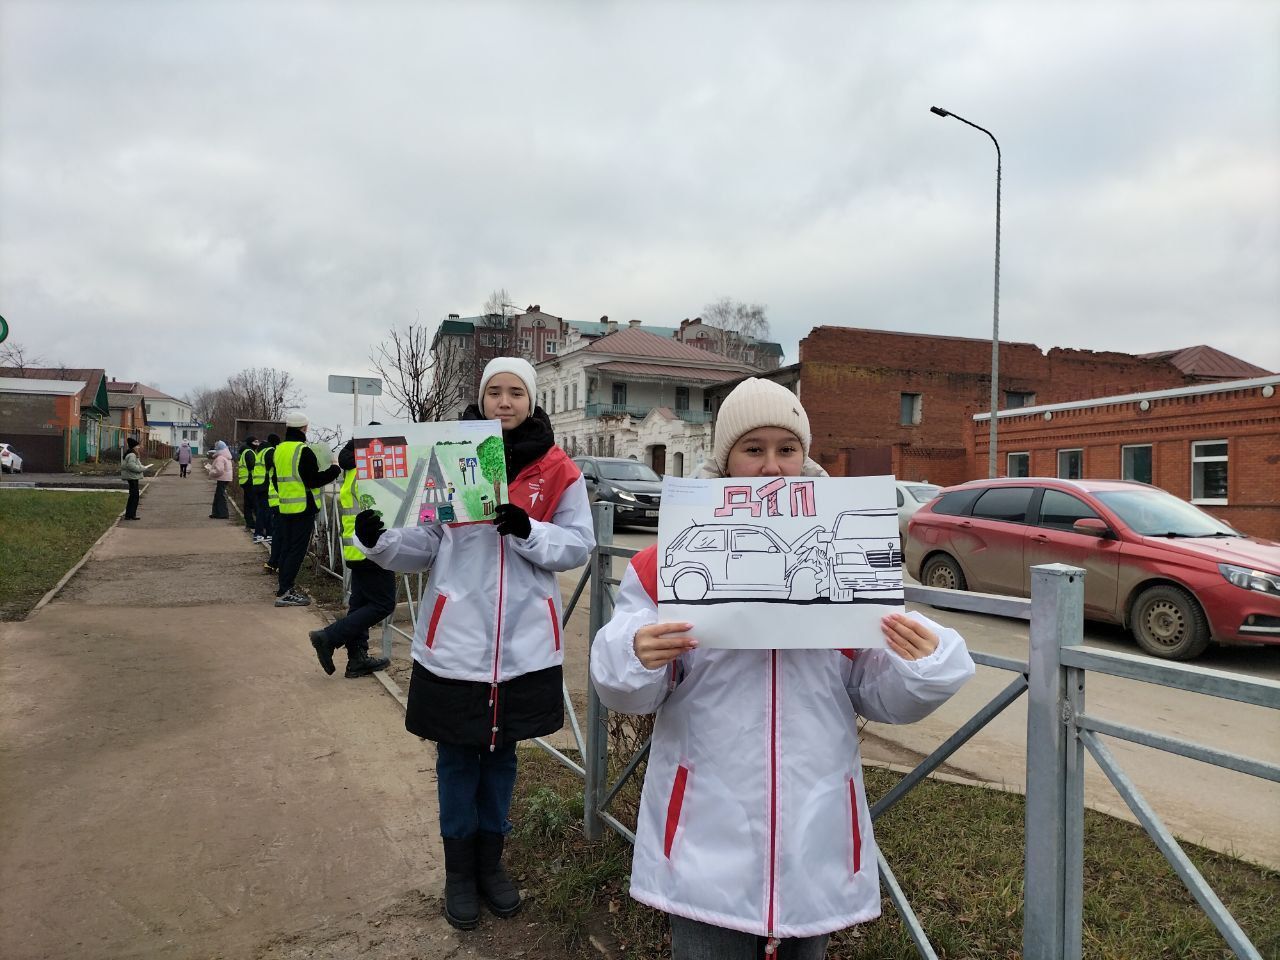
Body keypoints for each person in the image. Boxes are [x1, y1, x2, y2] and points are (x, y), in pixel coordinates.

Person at [589, 378, 976, 960]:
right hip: (705, 835)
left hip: (812, 831)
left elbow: (876, 691)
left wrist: (923, 665)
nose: (772, 467)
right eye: (754, 449)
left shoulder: (840, 554)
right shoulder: (667, 559)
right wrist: (634, 656)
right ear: (725, 460)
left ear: (805, 456)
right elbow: (630, 686)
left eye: (786, 449)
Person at [355, 357, 594, 931]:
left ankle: (492, 868)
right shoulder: (452, 455)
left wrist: (529, 529)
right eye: (494, 392)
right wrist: (379, 542)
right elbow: (424, 543)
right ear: (481, 400)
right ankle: (458, 875)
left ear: (531, 401)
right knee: (458, 761)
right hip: (455, 645)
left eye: (516, 392)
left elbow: (579, 546)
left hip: (523, 650)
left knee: (503, 760)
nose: (505, 402)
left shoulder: (558, 469)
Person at [308, 433, 394, 678]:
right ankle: (329, 637)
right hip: (373, 548)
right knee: (383, 603)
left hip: (354, 548)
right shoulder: (372, 471)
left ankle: (357, 659)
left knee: (361, 605)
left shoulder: (353, 469)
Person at [271, 413, 340, 607]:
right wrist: (334, 470)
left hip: (285, 507)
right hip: (303, 508)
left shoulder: (279, 450)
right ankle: (285, 592)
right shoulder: (303, 451)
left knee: (286, 549)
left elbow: (276, 481)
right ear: (304, 428)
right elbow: (313, 480)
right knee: (296, 551)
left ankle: (284, 588)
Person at [263, 433, 283, 574]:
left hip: (274, 498)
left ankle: (273, 562)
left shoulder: (267, 453)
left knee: (278, 533)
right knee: (281, 534)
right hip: (281, 499)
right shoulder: (273, 454)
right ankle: (275, 562)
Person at [252, 435, 274, 544]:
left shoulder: (260, 452)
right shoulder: (270, 451)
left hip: (257, 484)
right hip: (265, 485)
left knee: (261, 510)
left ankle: (259, 534)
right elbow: (274, 465)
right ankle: (265, 534)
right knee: (266, 511)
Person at [237, 437, 262, 532]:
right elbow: (253, 466)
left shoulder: (245, 452)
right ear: (250, 443)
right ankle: (258, 525)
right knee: (254, 503)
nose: (257, 443)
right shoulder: (250, 452)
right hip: (250, 480)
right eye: (255, 442)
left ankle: (250, 523)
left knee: (247, 504)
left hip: (245, 481)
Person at [120, 437, 146, 520]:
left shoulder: (133, 455)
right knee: (134, 496)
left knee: (134, 496)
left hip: (133, 476)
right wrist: (141, 469)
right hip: (132, 477)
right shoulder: (132, 455)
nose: (138, 448)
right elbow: (131, 466)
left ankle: (131, 514)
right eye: (137, 447)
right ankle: (130, 514)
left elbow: (136, 464)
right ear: (134, 447)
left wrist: (142, 467)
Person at [207, 440, 234, 519]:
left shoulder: (220, 458)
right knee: (219, 495)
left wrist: (211, 472)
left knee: (220, 496)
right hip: (226, 478)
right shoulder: (226, 456)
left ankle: (222, 513)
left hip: (222, 478)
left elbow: (219, 470)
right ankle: (217, 513)